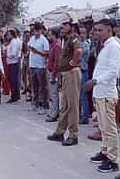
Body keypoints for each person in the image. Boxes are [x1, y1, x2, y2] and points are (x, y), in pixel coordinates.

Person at [85, 19, 120, 173]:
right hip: (100, 93)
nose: (97, 33)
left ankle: (113, 161)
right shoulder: (106, 46)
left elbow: (114, 71)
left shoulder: (114, 47)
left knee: (110, 128)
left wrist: (95, 81)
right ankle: (105, 152)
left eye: (100, 30)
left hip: (107, 93)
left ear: (109, 30)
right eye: (96, 30)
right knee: (103, 127)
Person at [47, 18, 83, 146]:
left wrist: (73, 62)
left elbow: (79, 51)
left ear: (72, 26)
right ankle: (60, 132)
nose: (62, 27)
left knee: (72, 106)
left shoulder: (74, 37)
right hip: (67, 74)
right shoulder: (67, 39)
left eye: (65, 24)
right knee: (65, 105)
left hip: (72, 73)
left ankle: (73, 135)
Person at [27, 24, 50, 114]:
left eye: (38, 31)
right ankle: (35, 104)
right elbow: (28, 46)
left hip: (41, 66)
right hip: (32, 65)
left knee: (42, 87)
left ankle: (44, 106)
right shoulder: (32, 38)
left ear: (41, 30)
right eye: (35, 31)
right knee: (34, 86)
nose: (36, 33)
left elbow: (47, 53)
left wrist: (37, 51)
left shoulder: (44, 40)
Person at [46, 28, 61, 122]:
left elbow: (57, 62)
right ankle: (53, 111)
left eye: (50, 35)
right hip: (51, 71)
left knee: (54, 94)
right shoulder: (53, 45)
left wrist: (54, 76)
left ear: (54, 35)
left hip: (53, 72)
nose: (48, 36)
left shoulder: (57, 46)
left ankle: (54, 114)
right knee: (52, 94)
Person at [6, 29, 22, 103]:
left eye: (9, 34)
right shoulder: (12, 42)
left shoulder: (14, 42)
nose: (7, 36)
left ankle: (14, 96)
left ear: (12, 35)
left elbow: (14, 53)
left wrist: (7, 54)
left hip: (13, 62)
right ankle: (15, 95)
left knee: (13, 80)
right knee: (12, 80)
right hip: (11, 62)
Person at [79, 26, 91, 124]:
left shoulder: (86, 44)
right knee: (78, 95)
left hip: (83, 71)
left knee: (83, 95)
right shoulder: (79, 43)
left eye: (83, 33)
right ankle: (78, 115)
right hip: (78, 71)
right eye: (80, 33)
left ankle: (85, 117)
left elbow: (80, 54)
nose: (81, 35)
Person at [21, 30, 32, 100]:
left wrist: (28, 53)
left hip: (30, 60)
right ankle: (25, 88)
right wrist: (24, 54)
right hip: (25, 59)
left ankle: (30, 89)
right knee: (23, 74)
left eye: (28, 36)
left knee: (29, 76)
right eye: (25, 36)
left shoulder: (31, 42)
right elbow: (22, 50)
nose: (26, 37)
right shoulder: (24, 42)